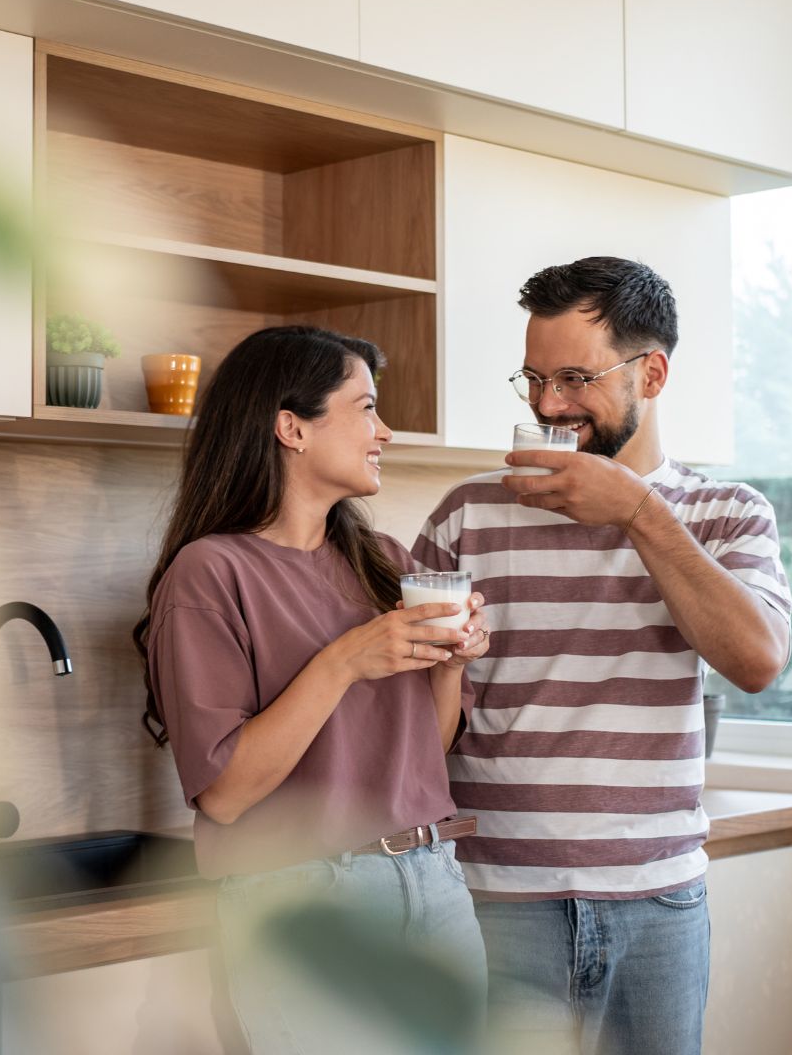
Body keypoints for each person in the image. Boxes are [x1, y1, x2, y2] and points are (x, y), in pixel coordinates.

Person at [412, 257, 792, 1055]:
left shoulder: (727, 514)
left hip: (658, 904)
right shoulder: (466, 515)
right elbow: (414, 729)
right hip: (494, 902)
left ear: (651, 373)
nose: (550, 404)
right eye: (535, 378)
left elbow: (757, 661)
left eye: (577, 378)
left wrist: (639, 513)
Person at [133, 324, 492, 1054]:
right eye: (365, 408)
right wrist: (343, 662)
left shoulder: (383, 560)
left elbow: (429, 746)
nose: (384, 430)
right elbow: (225, 793)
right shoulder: (208, 575)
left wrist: (450, 661)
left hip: (432, 881)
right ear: (291, 427)